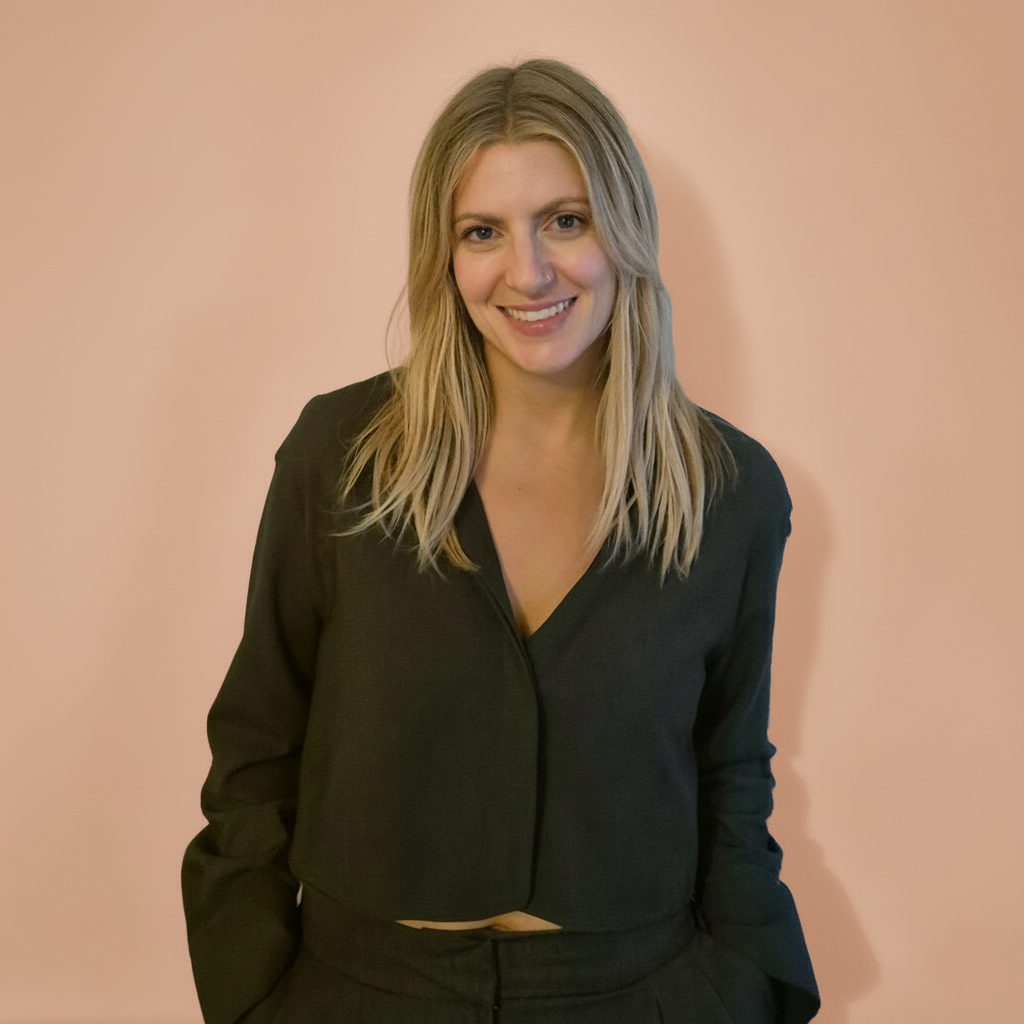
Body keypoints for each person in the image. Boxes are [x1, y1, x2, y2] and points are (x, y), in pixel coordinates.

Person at [182, 58, 820, 1024]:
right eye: (482, 231)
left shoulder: (729, 492)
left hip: (639, 992)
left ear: (625, 228)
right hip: (362, 992)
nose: (527, 273)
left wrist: (744, 990)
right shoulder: (339, 455)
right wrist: (253, 992)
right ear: (443, 255)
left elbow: (731, 774)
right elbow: (256, 744)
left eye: (565, 220)